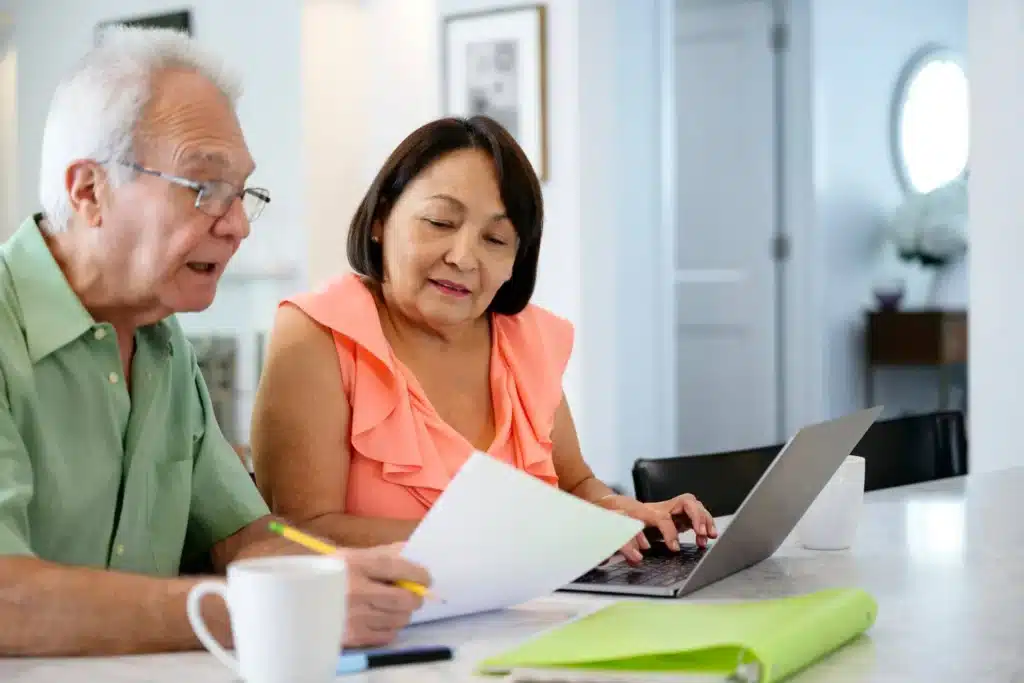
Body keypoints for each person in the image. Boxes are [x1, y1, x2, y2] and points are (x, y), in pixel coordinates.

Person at [0, 27, 429, 656]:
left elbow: (245, 538)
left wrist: (370, 568)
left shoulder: (162, 341)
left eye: (241, 194)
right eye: (204, 189)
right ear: (89, 191)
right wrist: (269, 610)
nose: (235, 227)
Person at [251, 116, 719, 564]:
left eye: (495, 239)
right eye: (439, 223)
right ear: (380, 220)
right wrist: (509, 539)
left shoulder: (525, 337)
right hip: (386, 621)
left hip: (536, 611)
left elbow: (576, 484)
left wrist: (621, 514)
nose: (463, 257)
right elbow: (298, 531)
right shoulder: (317, 333)